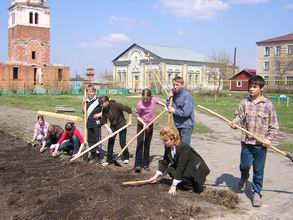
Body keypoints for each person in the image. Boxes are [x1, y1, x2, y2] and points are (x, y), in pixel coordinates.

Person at [229, 75, 279, 207]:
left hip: (260, 145)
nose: (251, 89)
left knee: (258, 170)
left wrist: (268, 139)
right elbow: (238, 117)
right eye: (250, 86)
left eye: (254, 87)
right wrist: (234, 122)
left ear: (261, 88)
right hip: (246, 142)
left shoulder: (268, 105)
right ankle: (244, 177)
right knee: (244, 165)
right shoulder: (244, 103)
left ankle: (256, 193)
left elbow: (274, 126)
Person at [148, 126, 210, 195]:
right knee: (170, 169)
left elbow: (181, 166)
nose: (164, 142)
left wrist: (174, 185)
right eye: (163, 140)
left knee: (179, 171)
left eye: (166, 140)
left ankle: (191, 187)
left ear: (173, 139)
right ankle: (182, 184)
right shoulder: (168, 146)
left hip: (195, 170)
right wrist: (156, 176)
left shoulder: (183, 147)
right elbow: (165, 160)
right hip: (187, 168)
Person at [134, 88, 165, 172]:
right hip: (141, 125)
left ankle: (145, 164)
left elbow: (158, 102)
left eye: (147, 99)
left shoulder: (153, 99)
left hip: (150, 124)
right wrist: (144, 124)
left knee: (147, 144)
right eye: (143, 98)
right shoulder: (139, 104)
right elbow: (137, 116)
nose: (145, 100)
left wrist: (165, 106)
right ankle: (137, 164)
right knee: (140, 143)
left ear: (150, 97)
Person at [99, 96, 132, 166]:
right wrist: (109, 130)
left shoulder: (116, 105)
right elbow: (104, 121)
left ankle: (126, 156)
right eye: (100, 104)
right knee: (110, 142)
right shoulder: (104, 110)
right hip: (113, 127)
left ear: (107, 102)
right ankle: (109, 160)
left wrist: (130, 121)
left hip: (122, 125)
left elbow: (129, 109)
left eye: (102, 103)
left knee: (122, 142)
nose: (101, 105)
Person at [166, 76, 195, 145]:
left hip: (186, 125)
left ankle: (186, 156)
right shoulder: (175, 94)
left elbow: (186, 113)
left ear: (182, 85)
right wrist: (168, 98)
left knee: (184, 147)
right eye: (173, 85)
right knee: (177, 145)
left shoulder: (186, 96)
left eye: (177, 85)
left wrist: (174, 111)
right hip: (177, 124)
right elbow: (169, 107)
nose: (175, 86)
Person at [83, 84, 102, 162]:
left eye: (92, 91)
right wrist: (83, 103)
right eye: (89, 92)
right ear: (87, 92)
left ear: (95, 92)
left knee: (96, 139)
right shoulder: (86, 101)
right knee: (90, 139)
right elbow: (84, 112)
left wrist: (100, 114)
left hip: (96, 123)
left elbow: (106, 108)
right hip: (89, 123)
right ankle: (92, 153)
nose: (91, 93)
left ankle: (97, 155)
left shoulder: (98, 100)